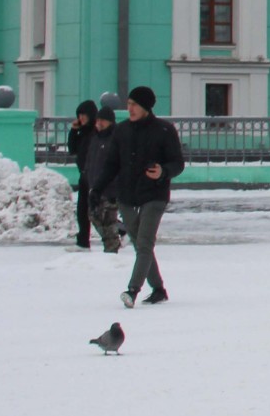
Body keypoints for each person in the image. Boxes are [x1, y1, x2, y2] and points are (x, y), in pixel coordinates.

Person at [96, 85, 185, 308]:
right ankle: (158, 289)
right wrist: (96, 189)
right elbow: (111, 164)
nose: (130, 108)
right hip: (127, 195)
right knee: (139, 244)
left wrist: (163, 172)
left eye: (134, 104)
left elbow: (177, 163)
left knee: (144, 242)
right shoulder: (122, 130)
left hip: (154, 194)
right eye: (128, 104)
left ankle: (132, 290)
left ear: (146, 107)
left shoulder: (164, 130)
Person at [82, 107, 124, 254]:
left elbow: (117, 164)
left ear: (110, 122)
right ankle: (121, 230)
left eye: (102, 120)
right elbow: (90, 160)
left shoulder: (115, 138)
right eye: (98, 120)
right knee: (93, 216)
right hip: (95, 187)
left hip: (110, 188)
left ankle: (112, 249)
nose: (99, 123)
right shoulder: (96, 138)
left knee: (107, 219)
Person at [67, 100, 99, 249]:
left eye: (84, 114)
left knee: (97, 210)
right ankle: (82, 241)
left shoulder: (96, 132)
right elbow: (72, 149)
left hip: (95, 177)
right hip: (84, 176)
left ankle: (121, 230)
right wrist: (73, 130)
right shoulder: (83, 132)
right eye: (79, 115)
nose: (81, 118)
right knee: (82, 210)